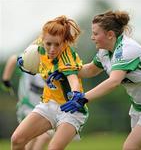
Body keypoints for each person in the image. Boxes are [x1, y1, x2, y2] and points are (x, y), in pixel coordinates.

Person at [60, 10, 141, 150]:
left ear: (110, 34)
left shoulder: (127, 50)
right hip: (139, 107)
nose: (92, 37)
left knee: (130, 147)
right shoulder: (105, 51)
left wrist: (83, 98)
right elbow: (91, 70)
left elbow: (113, 82)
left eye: (96, 33)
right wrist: (65, 71)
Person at [11, 15, 88, 150]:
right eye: (48, 44)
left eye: (57, 44)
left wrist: (76, 94)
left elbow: (73, 80)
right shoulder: (40, 45)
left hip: (71, 108)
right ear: (43, 40)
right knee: (17, 140)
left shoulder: (65, 57)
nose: (52, 49)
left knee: (53, 148)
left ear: (64, 42)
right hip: (49, 104)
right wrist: (24, 59)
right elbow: (28, 54)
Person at [1, 54, 52, 150]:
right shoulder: (32, 59)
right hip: (26, 106)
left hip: (42, 109)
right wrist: (6, 79)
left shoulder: (54, 64)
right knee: (41, 136)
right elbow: (13, 59)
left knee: (38, 137)